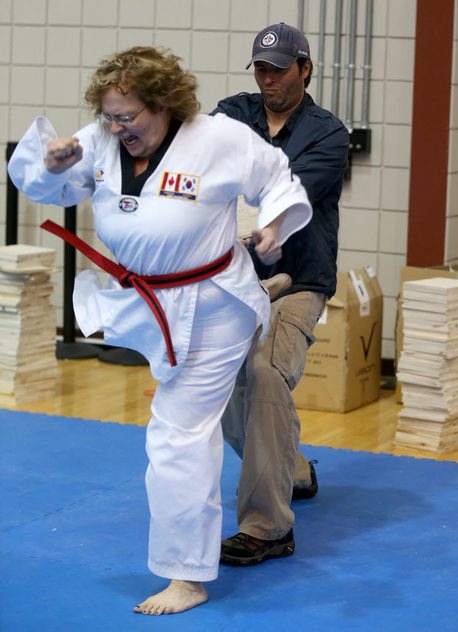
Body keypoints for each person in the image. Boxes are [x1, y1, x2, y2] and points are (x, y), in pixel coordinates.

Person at [8, 46, 313, 615]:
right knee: (190, 424)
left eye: (130, 117)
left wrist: (272, 226)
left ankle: (186, 576)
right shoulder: (102, 138)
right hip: (147, 303)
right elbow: (53, 186)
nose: (120, 128)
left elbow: (278, 177)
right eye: (111, 116)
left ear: (166, 105)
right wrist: (49, 164)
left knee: (177, 432)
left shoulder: (217, 138)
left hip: (215, 303)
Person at [211, 23, 349, 565]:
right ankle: (291, 471)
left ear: (305, 69)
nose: (269, 79)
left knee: (265, 373)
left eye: (280, 69)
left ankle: (269, 527)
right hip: (236, 279)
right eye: (262, 69)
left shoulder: (327, 133)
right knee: (221, 391)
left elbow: (279, 194)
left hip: (298, 283)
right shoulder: (232, 113)